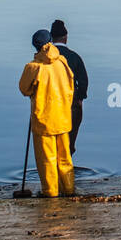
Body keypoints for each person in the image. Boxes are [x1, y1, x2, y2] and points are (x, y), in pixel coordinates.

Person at [18, 29, 76, 198]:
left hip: (44, 120)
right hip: (63, 118)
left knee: (47, 160)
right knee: (65, 158)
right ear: (50, 42)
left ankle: (50, 193)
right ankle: (69, 189)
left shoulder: (33, 67)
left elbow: (24, 89)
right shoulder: (62, 62)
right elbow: (71, 85)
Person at [50, 19, 88, 154]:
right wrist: (80, 98)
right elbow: (83, 81)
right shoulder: (74, 57)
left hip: (50, 103)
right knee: (69, 142)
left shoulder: (45, 57)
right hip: (70, 102)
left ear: (51, 37)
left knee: (52, 144)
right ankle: (67, 168)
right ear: (66, 37)